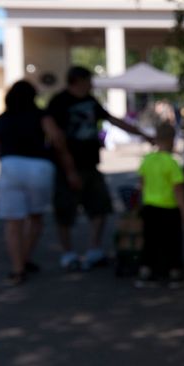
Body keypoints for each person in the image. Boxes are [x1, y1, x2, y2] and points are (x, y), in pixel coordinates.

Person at [47, 66, 152, 271]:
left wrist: (142, 133)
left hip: (90, 165)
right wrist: (69, 170)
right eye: (88, 80)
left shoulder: (91, 102)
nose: (91, 84)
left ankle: (94, 249)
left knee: (100, 206)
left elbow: (113, 120)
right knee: (65, 212)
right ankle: (68, 254)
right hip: (66, 167)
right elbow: (57, 138)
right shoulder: (58, 102)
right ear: (77, 80)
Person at [0, 80, 80, 284]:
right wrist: (70, 169)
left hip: (10, 166)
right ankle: (25, 257)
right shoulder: (42, 116)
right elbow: (57, 139)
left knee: (13, 222)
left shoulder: (1, 119)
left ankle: (17, 267)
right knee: (35, 218)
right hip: (39, 168)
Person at [135, 123, 184, 289]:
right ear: (172, 140)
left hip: (149, 207)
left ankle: (146, 271)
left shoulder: (147, 160)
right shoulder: (172, 163)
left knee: (150, 240)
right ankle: (174, 273)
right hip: (169, 208)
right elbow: (178, 190)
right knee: (172, 241)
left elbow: (141, 184)